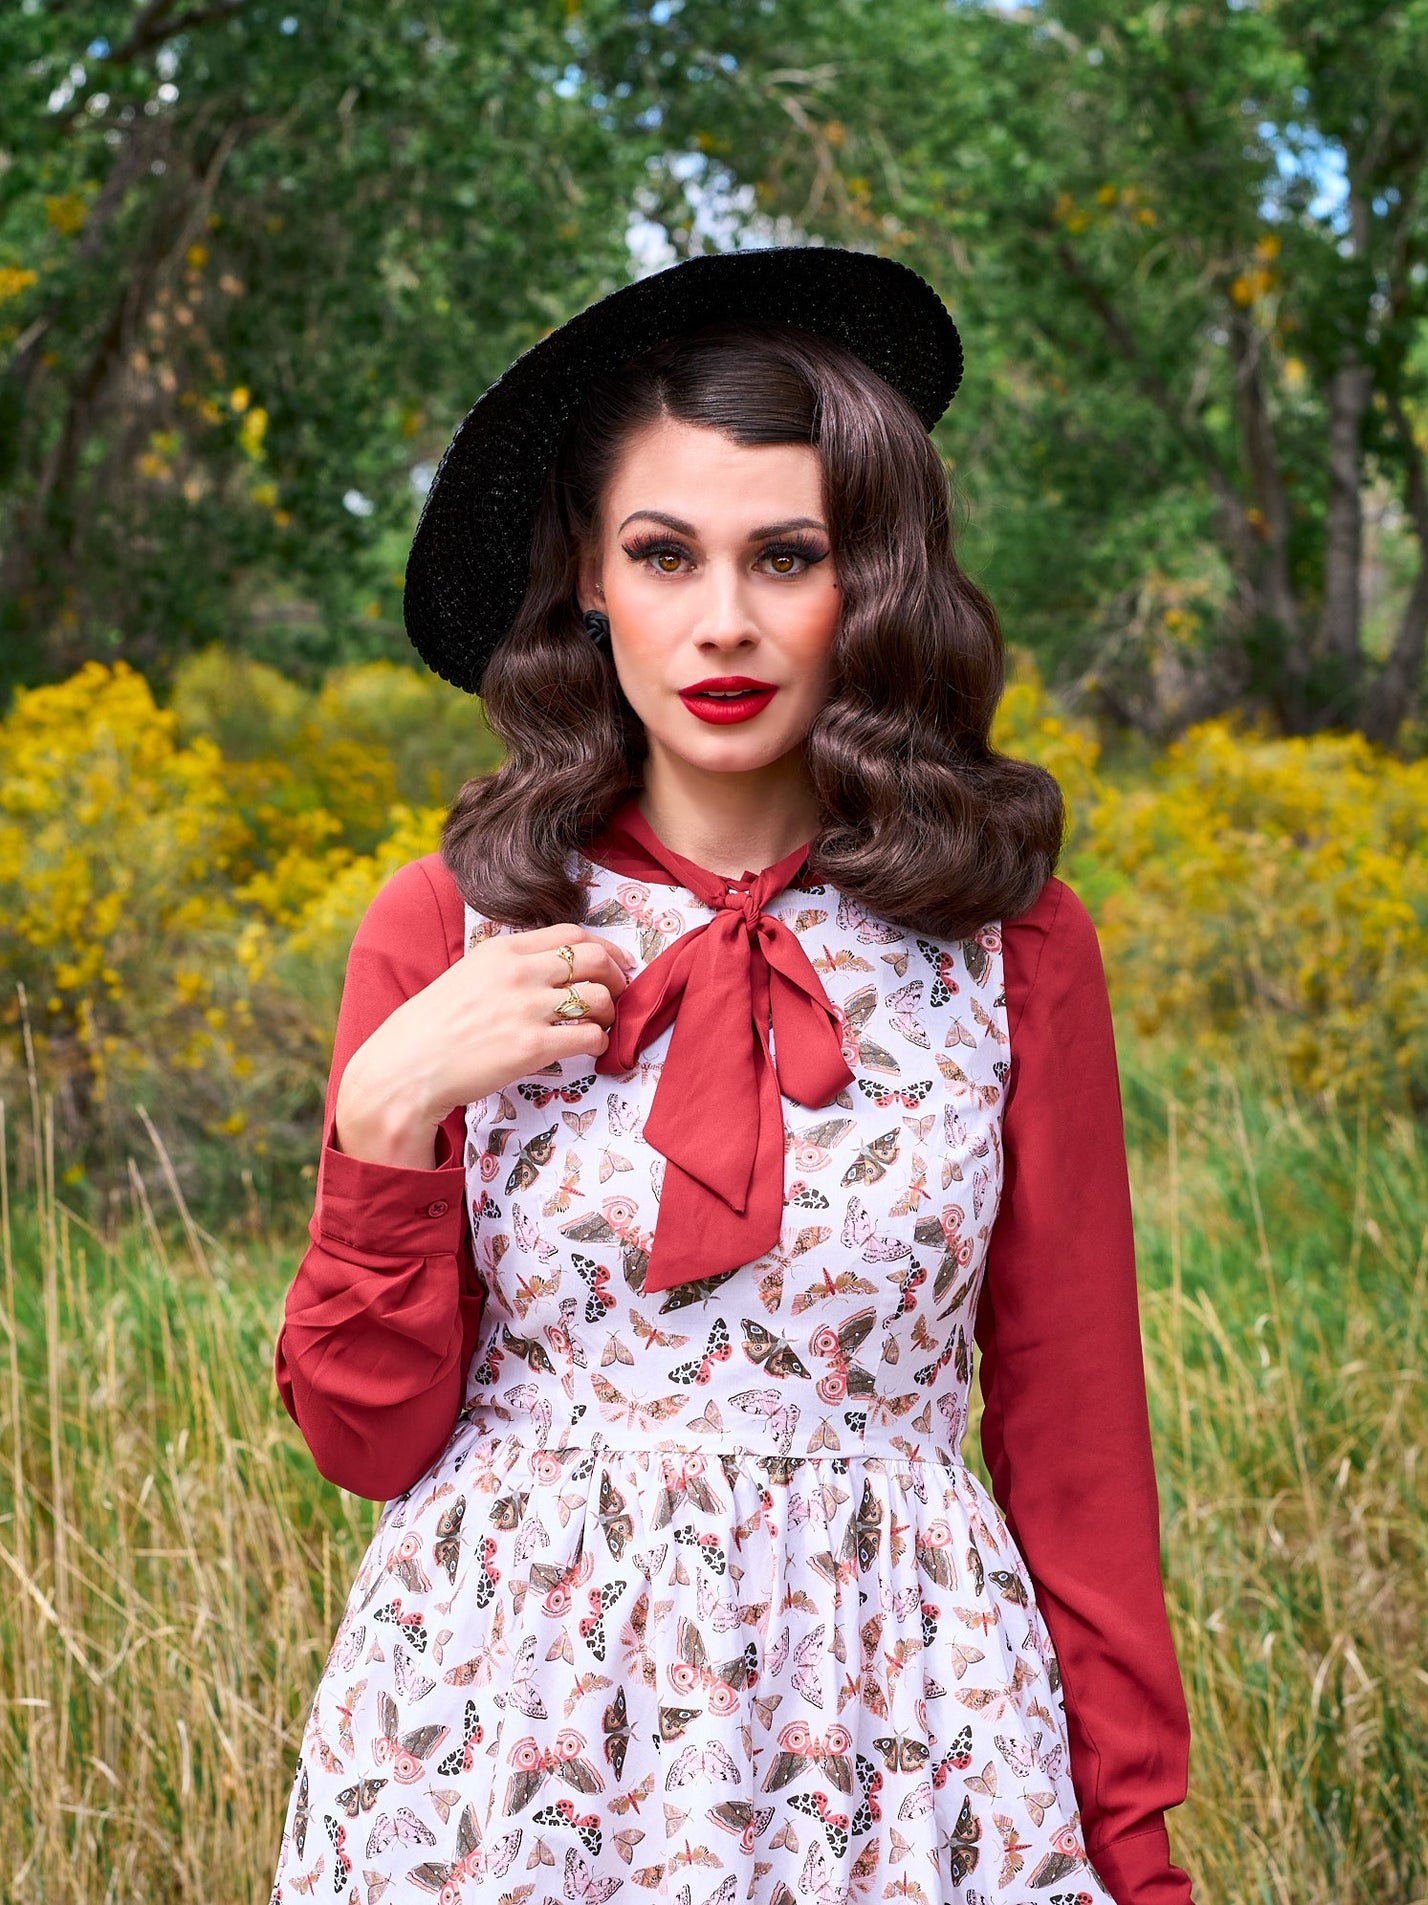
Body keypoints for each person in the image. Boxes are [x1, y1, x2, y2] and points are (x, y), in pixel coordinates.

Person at [268, 248, 1194, 1905]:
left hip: (905, 1736)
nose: (723, 621)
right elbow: (366, 1438)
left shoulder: (1008, 946)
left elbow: (1072, 1438)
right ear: (584, 584)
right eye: (661, 553)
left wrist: (1132, 1847)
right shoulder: (446, 924)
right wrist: (385, 1124)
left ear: (874, 585)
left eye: (789, 557)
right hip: (496, 1742)